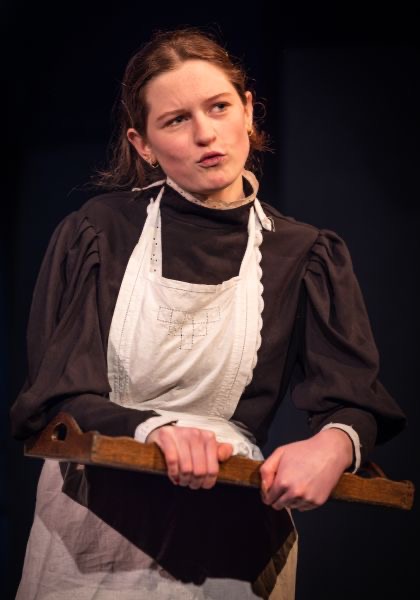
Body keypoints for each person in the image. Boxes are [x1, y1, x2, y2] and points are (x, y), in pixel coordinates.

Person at [11, 26, 406, 600]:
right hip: (93, 531)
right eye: (176, 120)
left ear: (247, 110)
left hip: (232, 533)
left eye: (218, 107)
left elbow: (353, 398)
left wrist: (335, 445)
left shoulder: (306, 253)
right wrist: (154, 429)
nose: (205, 134)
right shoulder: (98, 231)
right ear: (143, 144)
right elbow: (54, 396)